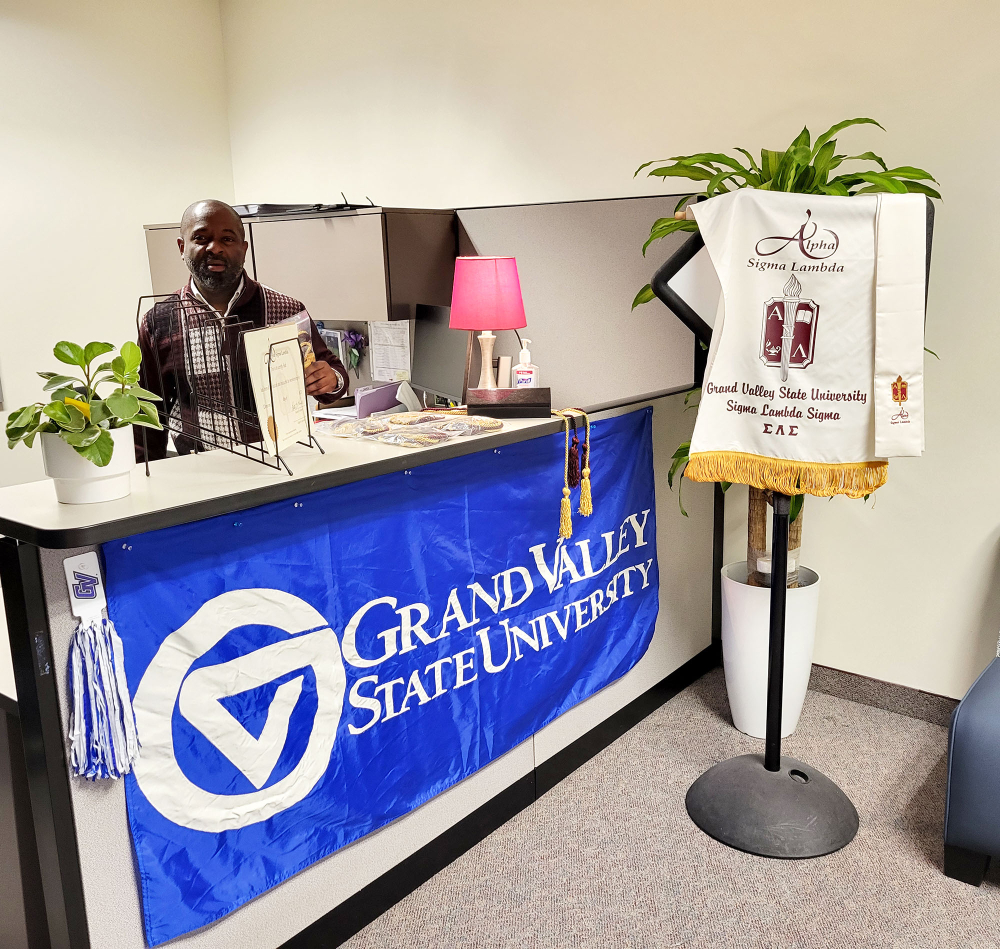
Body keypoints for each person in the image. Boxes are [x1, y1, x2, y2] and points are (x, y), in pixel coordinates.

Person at [136, 199, 348, 461]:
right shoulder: (159, 321)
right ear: (182, 247)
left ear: (243, 248)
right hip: (199, 469)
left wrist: (330, 380)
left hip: (283, 464)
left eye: (227, 239)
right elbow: (147, 409)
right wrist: (146, 472)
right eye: (201, 238)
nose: (215, 248)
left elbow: (333, 374)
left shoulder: (285, 310)